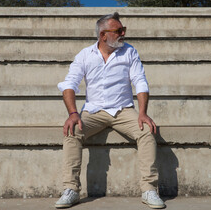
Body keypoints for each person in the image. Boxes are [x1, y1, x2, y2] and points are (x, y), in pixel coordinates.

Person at [55, 12, 165, 209]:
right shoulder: (85, 55)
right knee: (72, 131)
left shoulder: (129, 52)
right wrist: (73, 114)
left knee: (147, 131)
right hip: (93, 111)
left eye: (124, 30)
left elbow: (139, 81)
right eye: (119, 31)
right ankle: (71, 189)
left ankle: (149, 189)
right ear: (103, 35)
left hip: (123, 110)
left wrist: (142, 112)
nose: (123, 34)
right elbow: (69, 84)